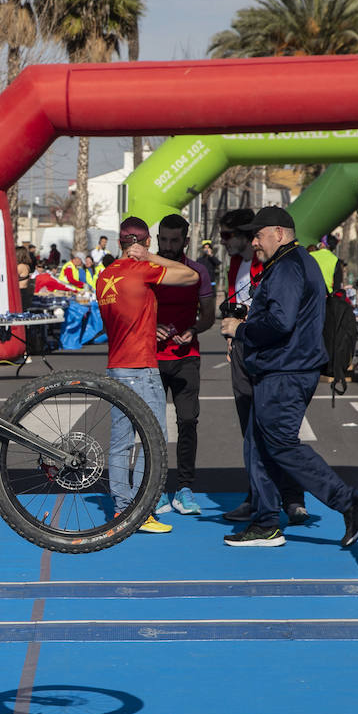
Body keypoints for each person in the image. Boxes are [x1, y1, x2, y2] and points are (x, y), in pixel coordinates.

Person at [219, 206, 358, 548]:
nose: (254, 242)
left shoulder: (288, 266)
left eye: (258, 235)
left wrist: (240, 328)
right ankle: (266, 521)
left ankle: (349, 502)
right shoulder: (294, 262)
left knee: (281, 444)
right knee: (258, 445)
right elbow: (282, 315)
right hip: (283, 367)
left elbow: (280, 323)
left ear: (280, 233)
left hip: (286, 370)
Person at [96, 217, 199, 533]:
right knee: (151, 441)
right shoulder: (141, 268)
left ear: (119, 243)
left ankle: (122, 509)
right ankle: (142, 510)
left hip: (117, 365)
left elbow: (123, 317)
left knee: (120, 444)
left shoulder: (105, 277)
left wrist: (147, 327)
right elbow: (191, 276)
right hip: (141, 368)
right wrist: (150, 257)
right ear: (144, 243)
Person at [218, 209, 309, 526]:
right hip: (243, 348)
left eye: (229, 235)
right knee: (250, 431)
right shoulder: (235, 264)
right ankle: (256, 496)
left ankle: (293, 498)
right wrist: (231, 336)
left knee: (278, 429)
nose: (223, 242)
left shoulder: (268, 260)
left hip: (267, 351)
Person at [153, 213, 215, 517]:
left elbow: (209, 315)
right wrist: (151, 326)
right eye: (162, 239)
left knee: (188, 421)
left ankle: (185, 488)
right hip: (151, 358)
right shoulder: (147, 269)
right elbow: (132, 308)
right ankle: (157, 487)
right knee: (153, 426)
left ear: (185, 241)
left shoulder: (198, 271)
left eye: (173, 240)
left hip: (186, 357)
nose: (167, 245)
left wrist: (195, 329)